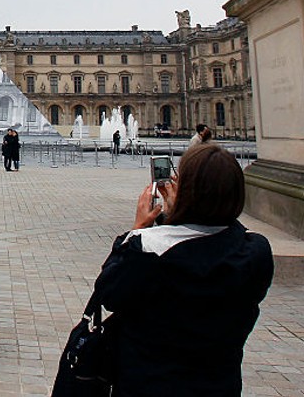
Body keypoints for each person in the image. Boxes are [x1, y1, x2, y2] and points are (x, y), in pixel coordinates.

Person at [92, 144, 273, 396]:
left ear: (187, 191)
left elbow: (108, 294)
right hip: (218, 385)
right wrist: (190, 213)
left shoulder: (148, 249)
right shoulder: (256, 252)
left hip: (148, 383)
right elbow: (215, 238)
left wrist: (138, 228)